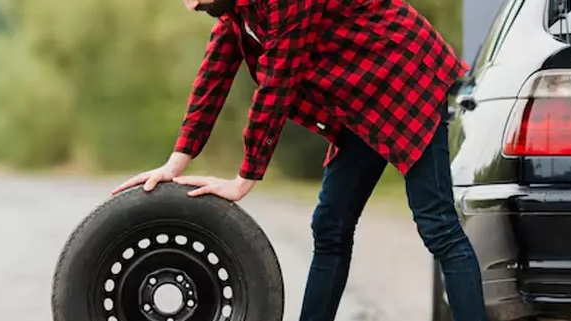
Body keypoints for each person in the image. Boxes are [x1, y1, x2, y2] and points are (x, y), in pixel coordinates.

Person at [111, 0, 488, 320]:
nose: (195, 6)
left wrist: (245, 178)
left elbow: (279, 82)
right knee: (330, 227)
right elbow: (213, 77)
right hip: (359, 101)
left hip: (403, 78)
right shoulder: (237, 14)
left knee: (437, 226)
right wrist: (175, 163)